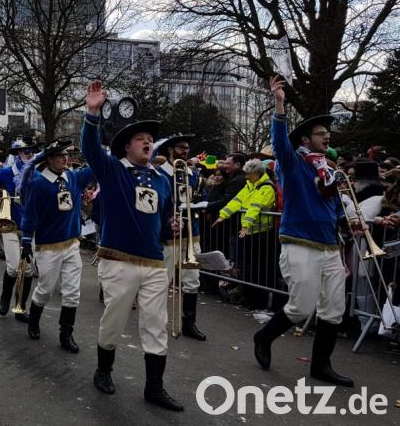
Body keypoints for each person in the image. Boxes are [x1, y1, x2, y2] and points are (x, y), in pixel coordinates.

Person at [82, 80, 183, 411]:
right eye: (142, 139)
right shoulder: (113, 171)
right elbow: (90, 150)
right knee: (114, 318)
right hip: (118, 259)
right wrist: (92, 113)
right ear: (127, 146)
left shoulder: (161, 179)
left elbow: (166, 215)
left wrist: (173, 224)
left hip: (153, 263)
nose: (149, 143)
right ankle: (103, 370)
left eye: (151, 140)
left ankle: (155, 386)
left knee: (156, 325)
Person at [253, 76, 355, 387]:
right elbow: (281, 143)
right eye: (321, 134)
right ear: (306, 140)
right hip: (300, 244)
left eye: (328, 133)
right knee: (301, 307)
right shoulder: (293, 164)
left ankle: (321, 366)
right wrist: (280, 105)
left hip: (329, 246)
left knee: (334, 309)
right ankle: (264, 336)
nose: (327, 137)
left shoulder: (328, 171)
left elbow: (334, 208)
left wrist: (352, 223)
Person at [19, 140, 94, 353]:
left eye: (67, 155)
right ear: (50, 159)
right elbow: (30, 215)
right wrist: (26, 242)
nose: (66, 159)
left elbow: (97, 167)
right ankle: (33, 321)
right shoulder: (39, 183)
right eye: (61, 155)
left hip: (71, 244)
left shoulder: (73, 177)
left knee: (72, 292)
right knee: (46, 289)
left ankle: (66, 334)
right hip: (48, 247)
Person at [156, 134, 207, 341]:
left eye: (187, 148)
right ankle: (157, 321)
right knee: (161, 282)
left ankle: (189, 324)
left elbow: (201, 196)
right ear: (170, 150)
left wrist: (202, 203)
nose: (185, 151)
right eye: (180, 147)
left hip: (191, 235)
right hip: (168, 236)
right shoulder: (159, 174)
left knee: (192, 281)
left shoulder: (193, 173)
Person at [0, 139, 38, 322]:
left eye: (31, 150)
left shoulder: (38, 172)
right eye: (25, 151)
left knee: (29, 270)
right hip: (10, 225)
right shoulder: (6, 172)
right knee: (14, 268)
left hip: (30, 227)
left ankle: (20, 306)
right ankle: (6, 297)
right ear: (18, 153)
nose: (29, 153)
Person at [213, 159, 278, 310]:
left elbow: (255, 207)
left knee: (259, 269)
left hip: (262, 234)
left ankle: (258, 301)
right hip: (249, 232)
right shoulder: (250, 185)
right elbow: (237, 201)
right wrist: (223, 215)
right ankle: (249, 298)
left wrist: (246, 225)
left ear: (257, 173)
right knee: (248, 267)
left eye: (248, 174)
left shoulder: (266, 187)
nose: (246, 177)